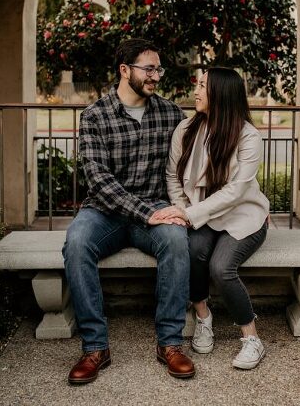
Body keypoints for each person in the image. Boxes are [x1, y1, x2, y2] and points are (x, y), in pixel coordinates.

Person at [62, 38, 195, 385]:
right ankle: (95, 347)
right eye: (148, 69)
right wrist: (145, 213)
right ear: (124, 70)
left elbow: (196, 163)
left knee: (176, 241)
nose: (156, 76)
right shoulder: (95, 116)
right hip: (104, 212)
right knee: (76, 242)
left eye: (158, 69)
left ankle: (170, 343)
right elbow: (98, 180)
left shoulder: (171, 114)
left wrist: (246, 201)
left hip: (154, 207)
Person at [152, 67, 270, 370]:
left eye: (203, 85)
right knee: (192, 251)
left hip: (243, 217)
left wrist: (188, 213)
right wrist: (182, 210)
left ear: (221, 93)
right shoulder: (186, 129)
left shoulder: (248, 136)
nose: (196, 91)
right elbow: (172, 176)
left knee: (221, 267)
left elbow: (236, 192)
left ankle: (251, 338)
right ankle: (203, 316)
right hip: (200, 216)